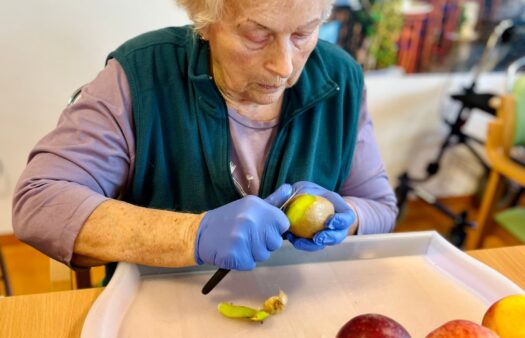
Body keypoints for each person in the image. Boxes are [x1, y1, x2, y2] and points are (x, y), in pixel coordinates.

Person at [12, 0, 397, 278]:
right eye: (256, 34)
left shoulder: (340, 79)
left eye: (303, 33)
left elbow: (379, 205)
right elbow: (41, 202)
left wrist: (347, 218)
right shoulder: (143, 73)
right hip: (165, 306)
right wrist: (192, 235)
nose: (284, 66)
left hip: (296, 305)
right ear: (205, 19)